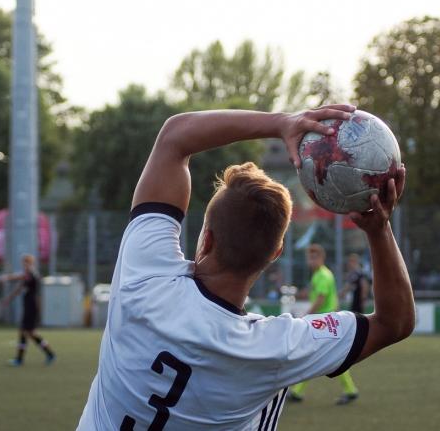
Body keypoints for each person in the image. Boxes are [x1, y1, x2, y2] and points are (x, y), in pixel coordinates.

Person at [76, 105, 415, 430]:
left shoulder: (144, 277)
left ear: (207, 239)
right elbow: (393, 322)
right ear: (275, 254)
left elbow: (174, 136)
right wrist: (378, 229)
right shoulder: (273, 348)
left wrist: (282, 123)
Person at [288, 245, 360, 405]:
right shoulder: (320, 275)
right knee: (322, 356)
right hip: (325, 322)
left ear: (321, 258)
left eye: (314, 257)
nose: (311, 261)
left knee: (312, 355)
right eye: (309, 257)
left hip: (323, 323)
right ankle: (349, 390)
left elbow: (321, 298)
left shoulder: (323, 276)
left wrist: (308, 315)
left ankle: (299, 392)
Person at [0, 254, 56, 366]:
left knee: (24, 332)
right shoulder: (27, 277)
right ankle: (50, 354)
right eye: (24, 264)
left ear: (32, 264)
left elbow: (20, 277)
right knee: (31, 333)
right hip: (28, 308)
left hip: (31, 308)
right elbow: (19, 289)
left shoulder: (32, 276)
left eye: (27, 263)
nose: (25, 266)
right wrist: (8, 299)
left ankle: (20, 359)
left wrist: (7, 277)